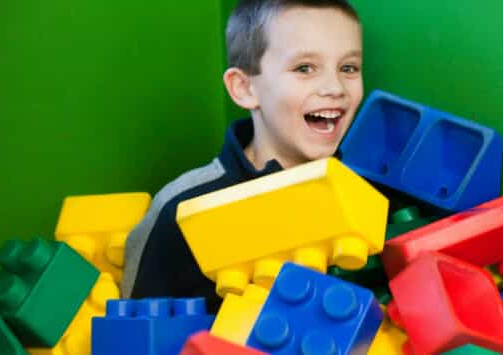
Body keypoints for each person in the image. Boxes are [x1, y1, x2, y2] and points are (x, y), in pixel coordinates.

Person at [121, 0, 364, 311]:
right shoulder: (180, 209)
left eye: (349, 68)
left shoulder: (367, 196)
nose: (335, 87)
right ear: (245, 88)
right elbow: (131, 332)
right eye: (304, 68)